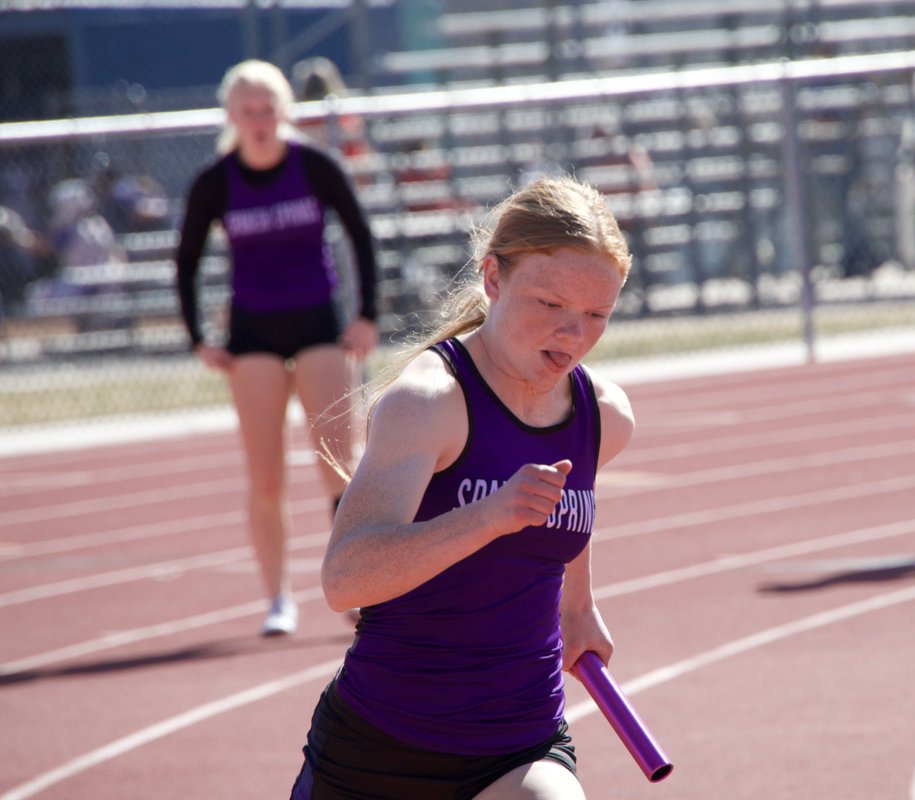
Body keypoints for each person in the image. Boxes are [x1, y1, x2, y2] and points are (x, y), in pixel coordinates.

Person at [290, 176, 635, 800]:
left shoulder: (603, 416)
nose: (573, 336)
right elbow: (345, 578)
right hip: (381, 750)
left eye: (596, 315)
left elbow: (563, 507)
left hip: (521, 740)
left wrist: (578, 607)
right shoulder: (429, 402)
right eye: (550, 306)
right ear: (494, 278)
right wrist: (489, 516)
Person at [174, 59, 380, 636]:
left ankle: (358, 589)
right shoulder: (216, 181)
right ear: (231, 115)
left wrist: (366, 317)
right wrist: (198, 338)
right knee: (265, 479)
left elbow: (361, 234)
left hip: (319, 327)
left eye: (268, 109)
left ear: (285, 111)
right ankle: (277, 600)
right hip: (253, 337)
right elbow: (187, 259)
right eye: (248, 111)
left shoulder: (314, 166)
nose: (260, 121)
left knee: (341, 468)